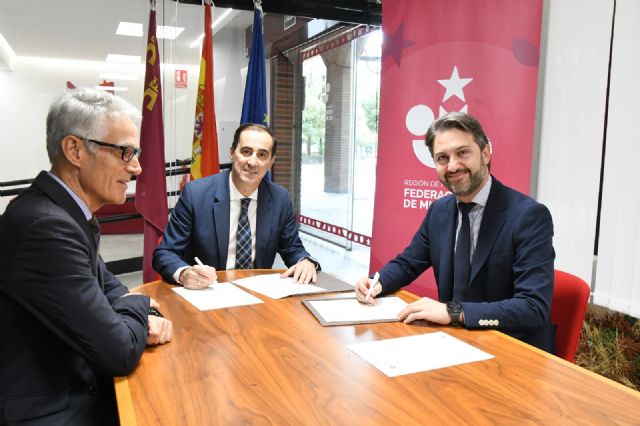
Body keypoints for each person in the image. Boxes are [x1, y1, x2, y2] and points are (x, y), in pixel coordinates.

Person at [0, 88, 172, 425]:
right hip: (52, 407)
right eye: (125, 152)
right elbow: (118, 351)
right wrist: (140, 304)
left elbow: (106, 283)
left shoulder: (61, 211)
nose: (136, 167)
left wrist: (119, 309)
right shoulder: (47, 226)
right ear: (75, 149)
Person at [355, 112, 556, 353]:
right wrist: (378, 282)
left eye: (462, 153)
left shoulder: (529, 216)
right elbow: (409, 262)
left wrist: (454, 312)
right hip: (453, 344)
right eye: (442, 158)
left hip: (512, 350)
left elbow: (533, 307)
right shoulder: (439, 211)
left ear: (485, 153)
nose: (452, 166)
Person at [153, 123, 320, 289]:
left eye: (262, 155)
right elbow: (165, 253)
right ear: (232, 153)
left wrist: (304, 261)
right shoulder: (196, 195)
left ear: (271, 162)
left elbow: (293, 248)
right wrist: (184, 273)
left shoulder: (279, 198)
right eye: (246, 152)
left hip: (258, 295)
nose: (252, 162)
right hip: (208, 292)